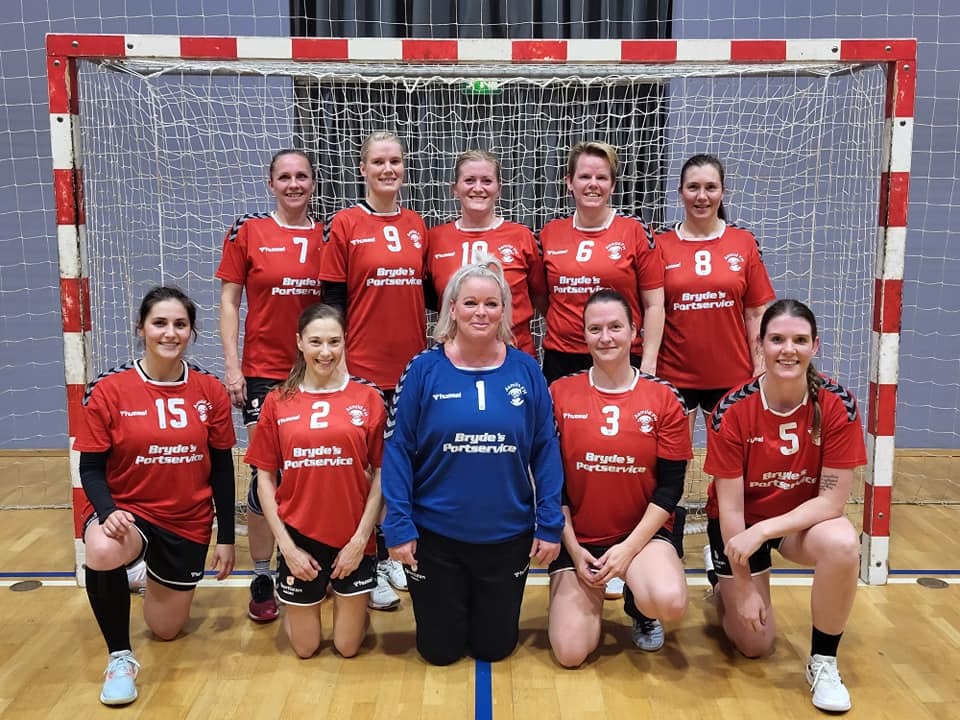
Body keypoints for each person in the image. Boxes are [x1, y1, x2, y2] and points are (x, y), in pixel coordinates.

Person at [380, 258, 563, 665]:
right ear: (452, 309)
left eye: (491, 304)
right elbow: (397, 450)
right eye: (470, 303)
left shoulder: (526, 370)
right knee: (439, 653)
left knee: (493, 649)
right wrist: (398, 525)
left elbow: (546, 450)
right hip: (435, 537)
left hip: (506, 536)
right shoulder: (423, 369)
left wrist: (550, 522)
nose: (481, 312)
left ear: (504, 311)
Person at [74, 287, 236, 706]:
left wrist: (226, 537)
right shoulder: (109, 389)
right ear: (141, 328)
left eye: (180, 324)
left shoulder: (210, 390)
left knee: (165, 630)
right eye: (159, 323)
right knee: (102, 548)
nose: (169, 333)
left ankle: (142, 573)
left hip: (187, 519)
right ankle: (120, 658)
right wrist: (107, 511)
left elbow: (222, 468)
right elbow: (90, 468)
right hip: (129, 510)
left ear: (191, 331)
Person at [703, 299, 866, 713]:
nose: (788, 350)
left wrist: (766, 530)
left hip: (796, 524)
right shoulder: (731, 410)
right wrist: (741, 587)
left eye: (799, 340)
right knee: (754, 645)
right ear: (760, 345)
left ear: (816, 345)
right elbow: (730, 510)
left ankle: (823, 661)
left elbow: (832, 501)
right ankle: (722, 585)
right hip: (740, 525)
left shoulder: (837, 404)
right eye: (777, 339)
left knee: (843, 543)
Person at [548, 289, 691, 666]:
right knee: (570, 652)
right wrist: (573, 549)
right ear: (584, 335)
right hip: (580, 538)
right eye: (595, 329)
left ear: (634, 331)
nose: (606, 337)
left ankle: (639, 605)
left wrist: (627, 550)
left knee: (669, 601)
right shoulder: (559, 393)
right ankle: (583, 594)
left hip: (641, 538)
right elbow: (551, 485)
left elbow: (670, 488)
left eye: (615, 327)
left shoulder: (664, 397)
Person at [319, 131, 428, 610]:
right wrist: (337, 362)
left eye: (395, 161)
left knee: (403, 467)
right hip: (362, 368)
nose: (388, 169)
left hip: (410, 369)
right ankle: (371, 560)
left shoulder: (417, 224)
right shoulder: (345, 224)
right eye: (379, 162)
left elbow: (427, 296)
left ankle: (395, 551)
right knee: (366, 474)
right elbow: (332, 301)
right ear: (362, 168)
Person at [216, 149, 324, 623]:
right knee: (269, 474)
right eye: (285, 176)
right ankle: (262, 572)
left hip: (316, 372)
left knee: (310, 471)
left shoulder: (328, 235)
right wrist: (232, 367)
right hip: (262, 371)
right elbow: (229, 301)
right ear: (271, 183)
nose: (293, 183)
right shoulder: (249, 231)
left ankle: (302, 560)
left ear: (313, 183)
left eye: (302, 176)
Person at [244, 304, 386, 658]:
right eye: (316, 342)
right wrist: (288, 549)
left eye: (334, 342)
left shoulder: (368, 398)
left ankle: (354, 607)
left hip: (352, 534)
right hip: (299, 536)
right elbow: (264, 479)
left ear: (345, 341)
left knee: (347, 647)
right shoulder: (277, 401)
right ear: (300, 342)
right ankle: (306, 602)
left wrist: (360, 540)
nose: (326, 352)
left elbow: (382, 473)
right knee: (305, 649)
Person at [656, 153, 775, 437]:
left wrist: (760, 368)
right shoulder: (660, 243)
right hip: (673, 375)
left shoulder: (743, 242)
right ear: (680, 192)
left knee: (731, 458)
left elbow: (756, 312)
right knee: (673, 459)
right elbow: (651, 308)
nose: (701, 196)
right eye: (693, 187)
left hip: (731, 374)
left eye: (710, 187)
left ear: (722, 192)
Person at [539, 141, 665, 384]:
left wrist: (649, 364)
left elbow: (654, 304)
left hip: (620, 355)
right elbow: (544, 298)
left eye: (602, 178)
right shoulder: (550, 232)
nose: (593, 184)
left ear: (613, 185)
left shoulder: (636, 231)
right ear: (569, 182)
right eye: (584, 176)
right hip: (562, 357)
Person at [426, 149, 547, 357]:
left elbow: (541, 298)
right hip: (454, 359)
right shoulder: (435, 239)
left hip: (514, 355)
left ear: (499, 188)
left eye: (487, 181)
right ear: (455, 189)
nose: (478, 188)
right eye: (469, 180)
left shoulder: (521, 236)